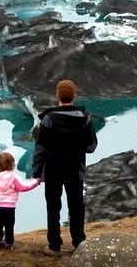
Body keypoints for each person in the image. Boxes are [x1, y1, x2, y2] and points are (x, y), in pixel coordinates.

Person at [32, 79, 98, 257]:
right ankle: (78, 244)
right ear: (74, 96)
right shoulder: (85, 119)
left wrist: (36, 172)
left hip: (53, 170)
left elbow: (40, 148)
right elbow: (91, 146)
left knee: (53, 207)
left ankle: (54, 246)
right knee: (76, 208)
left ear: (57, 95)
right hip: (75, 170)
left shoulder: (48, 119)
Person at [0, 151, 40, 252]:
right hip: (9, 207)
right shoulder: (13, 177)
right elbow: (23, 187)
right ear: (12, 164)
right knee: (9, 226)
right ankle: (9, 243)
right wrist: (36, 181)